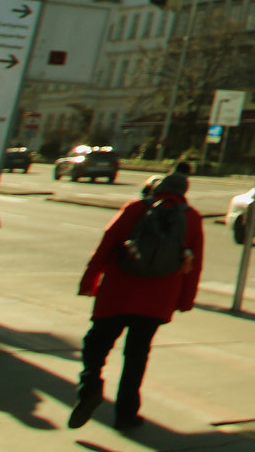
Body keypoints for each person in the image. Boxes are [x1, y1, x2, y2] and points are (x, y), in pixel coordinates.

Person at [70, 166, 203, 432]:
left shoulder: (134, 209)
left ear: (157, 188)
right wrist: (185, 300)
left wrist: (89, 282)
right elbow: (194, 264)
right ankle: (126, 415)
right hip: (158, 299)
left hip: (118, 293)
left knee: (96, 344)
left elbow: (105, 246)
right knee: (137, 356)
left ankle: (91, 386)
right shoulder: (191, 218)